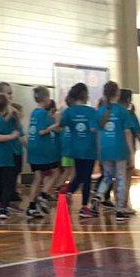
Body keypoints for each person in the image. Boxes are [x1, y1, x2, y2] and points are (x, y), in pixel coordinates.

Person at [95, 81, 133, 221]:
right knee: (121, 178)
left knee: (107, 176)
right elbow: (127, 132)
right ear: (117, 94)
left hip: (105, 148)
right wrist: (132, 153)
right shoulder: (123, 111)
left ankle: (99, 194)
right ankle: (120, 210)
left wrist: (99, 152)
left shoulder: (100, 111)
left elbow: (97, 132)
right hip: (119, 149)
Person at [60, 83, 100, 217]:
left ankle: (68, 191)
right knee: (86, 177)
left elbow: (60, 126)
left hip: (76, 149)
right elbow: (95, 129)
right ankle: (84, 207)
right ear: (85, 95)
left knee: (79, 175)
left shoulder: (69, 111)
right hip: (89, 149)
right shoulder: (92, 111)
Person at [25, 86, 60, 219]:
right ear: (46, 99)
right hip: (41, 148)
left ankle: (31, 207)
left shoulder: (34, 112)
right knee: (55, 172)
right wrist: (55, 124)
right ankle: (43, 195)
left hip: (33, 148)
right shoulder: (41, 113)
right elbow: (41, 131)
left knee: (38, 177)